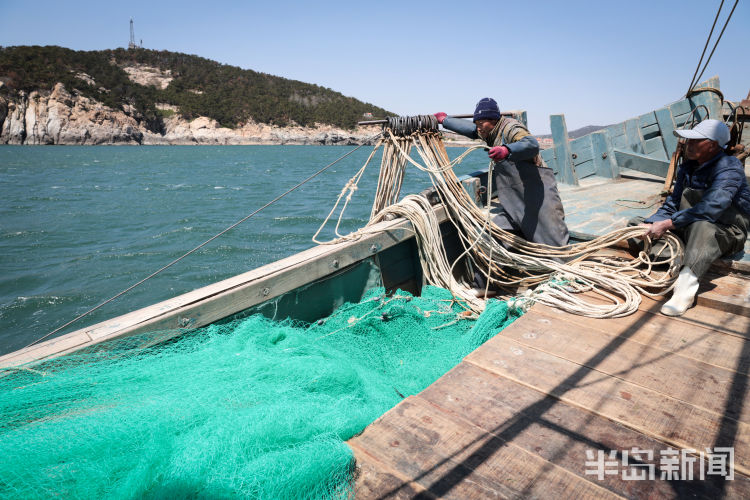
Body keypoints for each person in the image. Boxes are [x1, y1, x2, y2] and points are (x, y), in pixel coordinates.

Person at [434, 98, 569, 296]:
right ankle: (486, 284)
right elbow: (471, 130)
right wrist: (445, 120)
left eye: (481, 124)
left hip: (537, 198)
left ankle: (561, 283)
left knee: (554, 247)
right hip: (513, 202)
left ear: (493, 120)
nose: (478, 128)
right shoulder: (489, 132)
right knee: (492, 236)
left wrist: (508, 150)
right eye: (477, 124)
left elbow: (531, 145)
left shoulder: (510, 128)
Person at [630, 119, 750, 316]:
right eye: (688, 140)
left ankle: (684, 290)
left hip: (726, 231)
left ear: (712, 145)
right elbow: (672, 204)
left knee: (703, 226)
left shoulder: (729, 168)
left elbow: (712, 207)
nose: (688, 145)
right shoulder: (687, 167)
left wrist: (669, 223)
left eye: (695, 141)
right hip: (690, 225)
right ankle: (686, 256)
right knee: (636, 226)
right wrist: (652, 222)